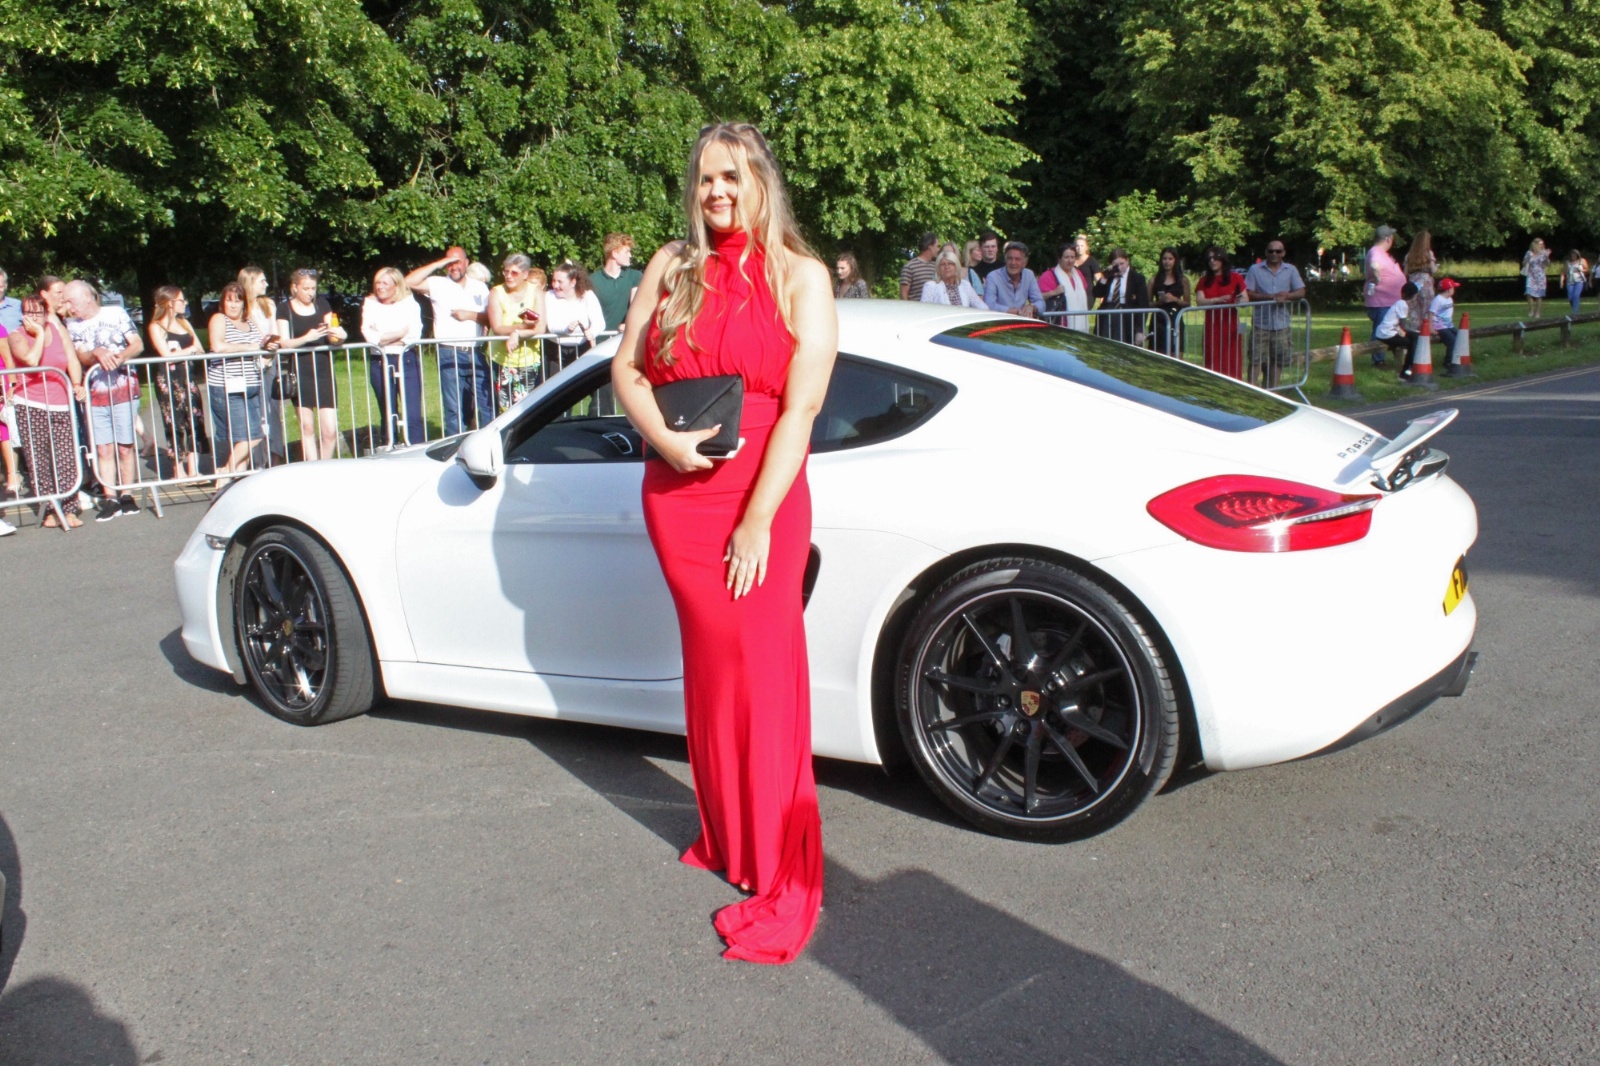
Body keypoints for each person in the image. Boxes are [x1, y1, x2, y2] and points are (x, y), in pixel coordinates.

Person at [610, 122, 834, 965]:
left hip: (762, 497)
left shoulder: (800, 275)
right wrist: (664, 443)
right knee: (712, 670)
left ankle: (773, 857)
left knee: (764, 675)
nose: (717, 192)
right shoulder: (672, 266)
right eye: (706, 178)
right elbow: (627, 369)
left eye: (732, 176)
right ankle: (732, 838)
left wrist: (756, 520)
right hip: (678, 497)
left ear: (761, 182)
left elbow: (802, 408)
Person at [10, 279, 87, 527]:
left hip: (60, 401)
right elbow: (31, 361)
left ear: (46, 313)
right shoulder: (16, 336)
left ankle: (69, 507)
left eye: (38, 312)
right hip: (30, 403)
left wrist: (77, 383)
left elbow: (71, 359)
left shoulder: (58, 329)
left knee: (65, 456)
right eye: (29, 313)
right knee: (39, 459)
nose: (34, 317)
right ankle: (50, 510)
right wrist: (40, 334)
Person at [65, 280, 144, 520]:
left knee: (125, 446)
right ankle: (110, 497)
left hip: (123, 389)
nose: (69, 307)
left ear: (87, 297)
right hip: (95, 393)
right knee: (103, 448)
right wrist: (97, 353)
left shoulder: (116, 313)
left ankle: (127, 494)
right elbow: (81, 356)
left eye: (71, 301)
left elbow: (137, 344)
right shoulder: (72, 325)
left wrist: (119, 357)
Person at [405, 247, 492, 435]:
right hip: (448, 352)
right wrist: (439, 263)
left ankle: (489, 441)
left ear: (466, 263)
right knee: (453, 407)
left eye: (457, 262)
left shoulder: (479, 287)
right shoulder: (437, 283)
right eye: (449, 263)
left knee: (486, 403)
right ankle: (456, 445)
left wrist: (469, 315)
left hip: (475, 351)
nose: (454, 267)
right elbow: (409, 281)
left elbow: (490, 318)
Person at [275, 268, 347, 461]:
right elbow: (284, 343)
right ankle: (312, 466)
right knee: (307, 427)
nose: (310, 293)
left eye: (313, 288)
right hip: (301, 370)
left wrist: (340, 336)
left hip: (323, 369)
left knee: (330, 430)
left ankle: (324, 465)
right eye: (306, 288)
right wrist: (307, 338)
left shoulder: (322, 304)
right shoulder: (284, 308)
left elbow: (334, 336)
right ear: (294, 287)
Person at [206, 282, 269, 477]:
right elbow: (218, 346)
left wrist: (268, 348)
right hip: (228, 385)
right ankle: (225, 473)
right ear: (223, 302)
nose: (233, 305)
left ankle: (235, 479)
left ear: (244, 303)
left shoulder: (250, 321)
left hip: (252, 383)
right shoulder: (219, 319)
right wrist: (248, 347)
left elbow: (261, 344)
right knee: (252, 435)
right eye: (229, 300)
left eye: (238, 301)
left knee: (247, 437)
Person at [146, 286, 209, 481]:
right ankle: (178, 469)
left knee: (195, 420)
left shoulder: (185, 323)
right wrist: (188, 351)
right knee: (175, 422)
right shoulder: (156, 326)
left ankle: (194, 469)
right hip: (168, 380)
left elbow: (199, 348)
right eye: (181, 300)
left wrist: (186, 352)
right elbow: (166, 355)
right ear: (169, 303)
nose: (185, 303)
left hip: (187, 378)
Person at [360, 267, 426, 446]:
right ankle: (390, 449)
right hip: (380, 361)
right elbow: (370, 336)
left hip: (406, 360)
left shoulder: (409, 303)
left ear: (396, 286)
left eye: (384, 283)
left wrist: (385, 338)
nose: (380, 287)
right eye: (378, 282)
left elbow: (414, 334)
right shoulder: (370, 303)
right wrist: (398, 334)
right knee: (388, 413)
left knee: (412, 414)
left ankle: (415, 450)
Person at [486, 254, 546, 411]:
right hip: (502, 359)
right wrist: (523, 326)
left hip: (529, 358)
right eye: (506, 272)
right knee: (504, 407)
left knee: (527, 407)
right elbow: (497, 327)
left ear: (525, 274)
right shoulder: (496, 292)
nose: (509, 276)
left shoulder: (536, 291)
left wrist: (517, 334)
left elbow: (540, 328)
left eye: (514, 273)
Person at [237, 266, 286, 460]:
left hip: (270, 363)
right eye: (261, 281)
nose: (266, 284)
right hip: (249, 366)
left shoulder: (268, 304)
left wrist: (271, 352)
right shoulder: (240, 307)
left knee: (273, 411)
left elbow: (275, 332)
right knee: (255, 412)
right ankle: (257, 459)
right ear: (249, 283)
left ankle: (275, 455)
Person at [1244, 240, 1306, 387]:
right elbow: (1249, 293)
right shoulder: (1255, 269)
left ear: (1283, 253)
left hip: (1281, 324)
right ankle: (1252, 391)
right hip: (1261, 323)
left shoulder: (1291, 270)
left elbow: (1301, 291)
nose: (1274, 254)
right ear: (1266, 252)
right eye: (1271, 251)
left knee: (1277, 361)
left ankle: (1273, 391)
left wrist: (1286, 296)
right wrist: (1271, 297)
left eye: (1278, 251)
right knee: (1255, 360)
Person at [1195, 246, 1249, 378]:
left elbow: (1245, 299)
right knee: (1212, 356)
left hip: (1231, 324)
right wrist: (1216, 300)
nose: (1212, 261)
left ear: (1223, 259)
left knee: (1232, 357)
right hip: (1212, 325)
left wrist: (1239, 300)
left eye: (1215, 258)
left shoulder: (1235, 277)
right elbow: (1199, 301)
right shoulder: (1204, 281)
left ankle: (1234, 382)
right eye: (1209, 259)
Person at [542, 261, 604, 373]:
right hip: (555, 353)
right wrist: (567, 329)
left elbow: (599, 322)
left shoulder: (588, 295)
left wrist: (592, 331)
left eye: (560, 282)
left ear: (572, 282)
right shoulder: (549, 296)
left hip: (582, 350)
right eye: (554, 281)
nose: (555, 285)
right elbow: (551, 325)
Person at [1091, 248, 1150, 346]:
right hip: (1108, 316)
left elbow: (1143, 304)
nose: (1119, 267)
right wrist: (1104, 278)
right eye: (1116, 265)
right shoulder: (1109, 277)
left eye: (1122, 264)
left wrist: (1139, 330)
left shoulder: (1137, 278)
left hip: (1127, 317)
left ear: (1127, 261)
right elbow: (1096, 293)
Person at [1364, 226, 1405, 363]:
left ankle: (1395, 358)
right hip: (1381, 302)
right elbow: (1374, 265)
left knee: (1391, 329)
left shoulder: (1383, 253)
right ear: (1388, 239)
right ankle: (1378, 360)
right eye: (1392, 237)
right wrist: (1377, 278)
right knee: (1381, 330)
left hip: (1389, 301)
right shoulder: (1376, 251)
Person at [592, 233, 643, 332]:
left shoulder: (634, 276)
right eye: (627, 252)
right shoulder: (593, 280)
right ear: (614, 253)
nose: (630, 255)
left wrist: (628, 325)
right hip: (600, 338)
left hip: (623, 337)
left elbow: (636, 307)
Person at [984, 241, 1045, 318]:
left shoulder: (1029, 275)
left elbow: (1041, 303)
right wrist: (1016, 311)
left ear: (1025, 263)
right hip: (999, 321)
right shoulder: (993, 276)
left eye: (1017, 259)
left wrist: (1033, 307)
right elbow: (989, 305)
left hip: (1020, 322)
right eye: (1010, 258)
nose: (1013, 263)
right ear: (1005, 260)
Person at [1037, 242, 1090, 330]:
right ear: (1059, 259)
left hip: (1079, 326)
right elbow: (1036, 297)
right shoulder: (1049, 276)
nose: (1070, 261)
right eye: (1066, 257)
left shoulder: (1078, 274)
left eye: (1072, 257)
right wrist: (1053, 292)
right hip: (1058, 325)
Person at [1149, 246, 1190, 356]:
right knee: (1158, 355)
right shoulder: (1154, 280)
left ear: (1175, 260)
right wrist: (1158, 302)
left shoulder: (1183, 280)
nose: (1167, 262)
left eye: (1170, 259)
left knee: (1176, 354)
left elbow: (1187, 303)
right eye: (1164, 259)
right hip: (1158, 321)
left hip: (1175, 319)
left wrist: (1175, 299)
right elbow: (1147, 304)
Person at [1378, 281, 1420, 379]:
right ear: (1414, 295)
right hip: (1387, 334)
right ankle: (1407, 370)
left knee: (1414, 339)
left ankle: (1408, 368)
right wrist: (1415, 332)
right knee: (1413, 341)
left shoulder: (1400, 303)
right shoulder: (1403, 305)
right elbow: (1404, 326)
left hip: (1387, 332)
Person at [920, 250, 986, 307]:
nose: (946, 267)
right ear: (938, 269)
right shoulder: (931, 286)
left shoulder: (965, 285)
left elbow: (982, 307)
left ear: (956, 266)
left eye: (950, 263)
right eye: (942, 264)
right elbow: (924, 310)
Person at [1402, 230, 1437, 332]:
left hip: (1413, 283)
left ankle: (1415, 331)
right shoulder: (1428, 254)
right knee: (1427, 308)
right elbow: (1433, 270)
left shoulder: (1409, 255)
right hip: (1426, 283)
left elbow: (1405, 272)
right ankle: (1426, 330)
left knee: (1414, 310)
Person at [899, 233, 939, 301]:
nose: (938, 249)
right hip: (916, 307)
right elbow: (903, 294)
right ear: (930, 247)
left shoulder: (936, 266)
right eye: (937, 246)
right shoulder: (910, 267)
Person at [1430, 277, 1461, 359]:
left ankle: (1458, 358)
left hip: (1448, 325)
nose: (1454, 290)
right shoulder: (1438, 300)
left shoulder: (1449, 299)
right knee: (1452, 341)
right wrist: (1431, 328)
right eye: (1453, 288)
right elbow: (1431, 313)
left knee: (1461, 337)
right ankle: (1448, 361)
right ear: (1448, 290)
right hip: (1439, 326)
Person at [1522, 238, 1550, 320]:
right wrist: (1528, 258)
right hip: (1531, 275)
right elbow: (1523, 263)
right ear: (1535, 244)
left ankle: (1538, 312)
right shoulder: (1529, 252)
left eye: (1542, 244)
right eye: (1540, 244)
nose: (1542, 245)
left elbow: (1547, 264)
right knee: (1528, 292)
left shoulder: (1543, 253)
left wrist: (1546, 257)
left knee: (1539, 295)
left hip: (1540, 276)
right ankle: (1531, 308)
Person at [1561, 250, 1587, 314]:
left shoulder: (1582, 260)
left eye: (1574, 255)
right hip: (1570, 281)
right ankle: (1575, 307)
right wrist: (1562, 281)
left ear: (1577, 255)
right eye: (1572, 255)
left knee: (1576, 295)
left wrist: (1581, 270)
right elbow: (1564, 272)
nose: (1573, 257)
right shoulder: (1568, 262)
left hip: (1579, 281)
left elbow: (1586, 269)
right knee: (1570, 297)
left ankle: (1575, 312)